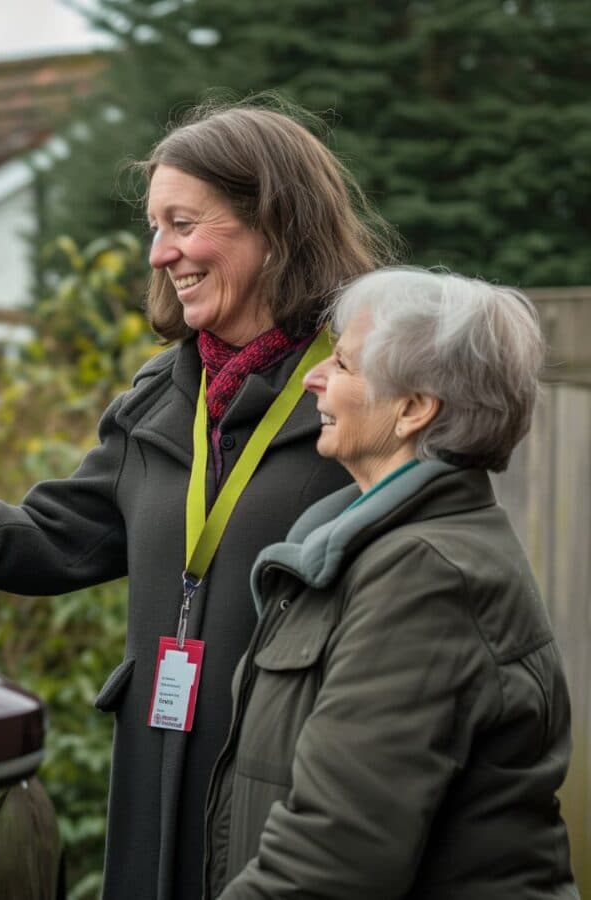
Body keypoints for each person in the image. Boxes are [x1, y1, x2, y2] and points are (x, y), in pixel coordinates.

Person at [0, 103, 393, 900]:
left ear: (272, 220)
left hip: (295, 812)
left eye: (183, 223)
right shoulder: (160, 398)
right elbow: (50, 541)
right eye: (155, 227)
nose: (161, 253)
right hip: (152, 805)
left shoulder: (366, 395)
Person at [204, 267, 577, 899]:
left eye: (344, 364)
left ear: (412, 409)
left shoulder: (427, 576)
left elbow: (333, 858)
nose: (315, 378)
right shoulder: (374, 548)